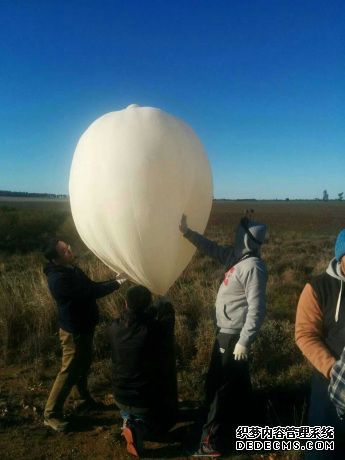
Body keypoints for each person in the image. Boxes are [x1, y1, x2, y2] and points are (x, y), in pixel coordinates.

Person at [179, 213, 268, 457]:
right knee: (236, 385)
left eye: (237, 233)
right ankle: (244, 430)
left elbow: (258, 308)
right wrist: (187, 232)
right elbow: (211, 247)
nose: (232, 235)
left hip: (232, 339)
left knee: (216, 389)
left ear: (245, 239)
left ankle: (210, 444)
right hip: (227, 335)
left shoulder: (253, 267)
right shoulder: (236, 258)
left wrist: (244, 341)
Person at [42, 238, 126, 432]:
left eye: (67, 246)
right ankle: (51, 414)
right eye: (64, 251)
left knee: (83, 365)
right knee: (69, 372)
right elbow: (90, 292)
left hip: (84, 327)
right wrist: (116, 284)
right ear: (55, 259)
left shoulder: (71, 268)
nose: (69, 250)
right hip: (74, 331)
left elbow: (93, 284)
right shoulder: (58, 279)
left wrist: (114, 280)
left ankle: (82, 400)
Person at [108, 285, 176, 457]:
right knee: (163, 423)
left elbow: (137, 320)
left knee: (130, 409)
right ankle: (138, 429)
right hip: (145, 399)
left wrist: (153, 309)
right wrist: (166, 306)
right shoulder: (153, 330)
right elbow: (167, 322)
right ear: (147, 305)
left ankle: (128, 419)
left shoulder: (113, 327)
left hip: (120, 394)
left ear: (125, 304)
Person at [295, 229, 345, 459]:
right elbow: (305, 334)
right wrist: (332, 369)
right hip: (328, 384)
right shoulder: (317, 288)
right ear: (340, 256)